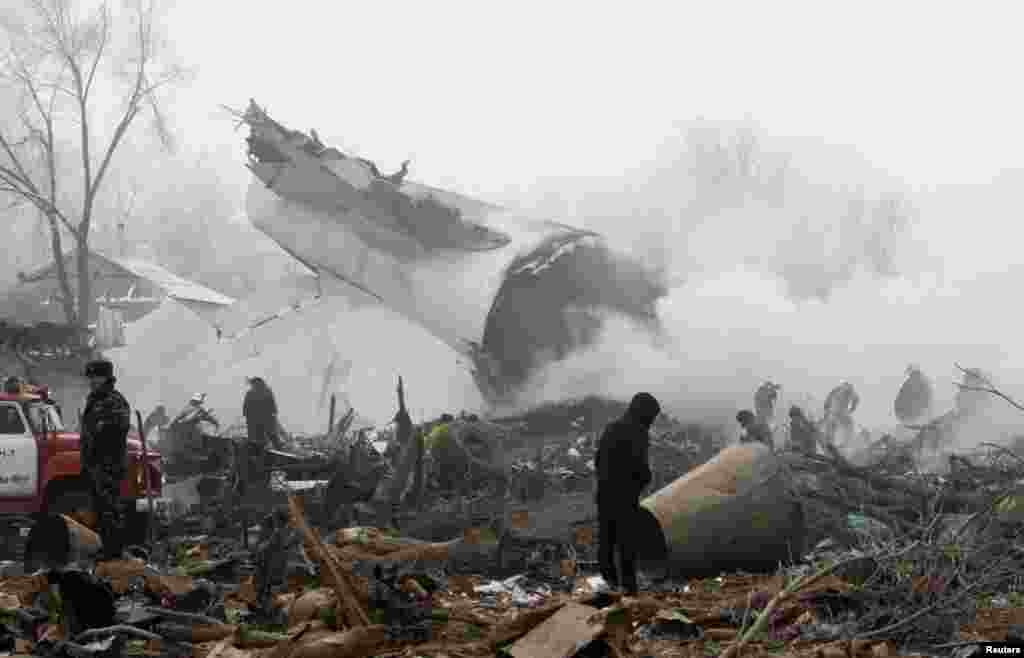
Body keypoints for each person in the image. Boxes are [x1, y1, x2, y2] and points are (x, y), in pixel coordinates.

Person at [594, 392, 660, 596]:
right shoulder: (638, 432)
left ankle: (608, 582)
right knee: (626, 543)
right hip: (625, 496)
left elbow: (598, 460)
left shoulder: (612, 427)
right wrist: (644, 478)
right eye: (651, 416)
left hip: (605, 493)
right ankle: (629, 588)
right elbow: (638, 466)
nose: (651, 421)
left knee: (606, 539)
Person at [80, 359, 131, 561]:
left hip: (108, 466)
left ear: (107, 378)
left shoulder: (114, 400)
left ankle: (113, 552)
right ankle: (106, 550)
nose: (92, 381)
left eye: (97, 377)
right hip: (95, 466)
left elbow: (114, 433)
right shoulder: (94, 400)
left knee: (110, 510)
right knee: (100, 510)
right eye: (90, 378)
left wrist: (99, 454)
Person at [242, 377, 278, 491]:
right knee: (262, 446)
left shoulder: (255, 393)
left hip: (260, 427)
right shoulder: (264, 392)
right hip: (259, 427)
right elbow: (273, 409)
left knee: (262, 446)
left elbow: (245, 411)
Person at [823, 382, 859, 447]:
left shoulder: (841, 390)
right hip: (837, 411)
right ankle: (831, 442)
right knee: (834, 425)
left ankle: (841, 443)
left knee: (846, 426)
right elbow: (856, 399)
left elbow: (856, 399)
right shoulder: (840, 389)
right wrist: (852, 408)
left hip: (838, 411)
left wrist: (852, 409)